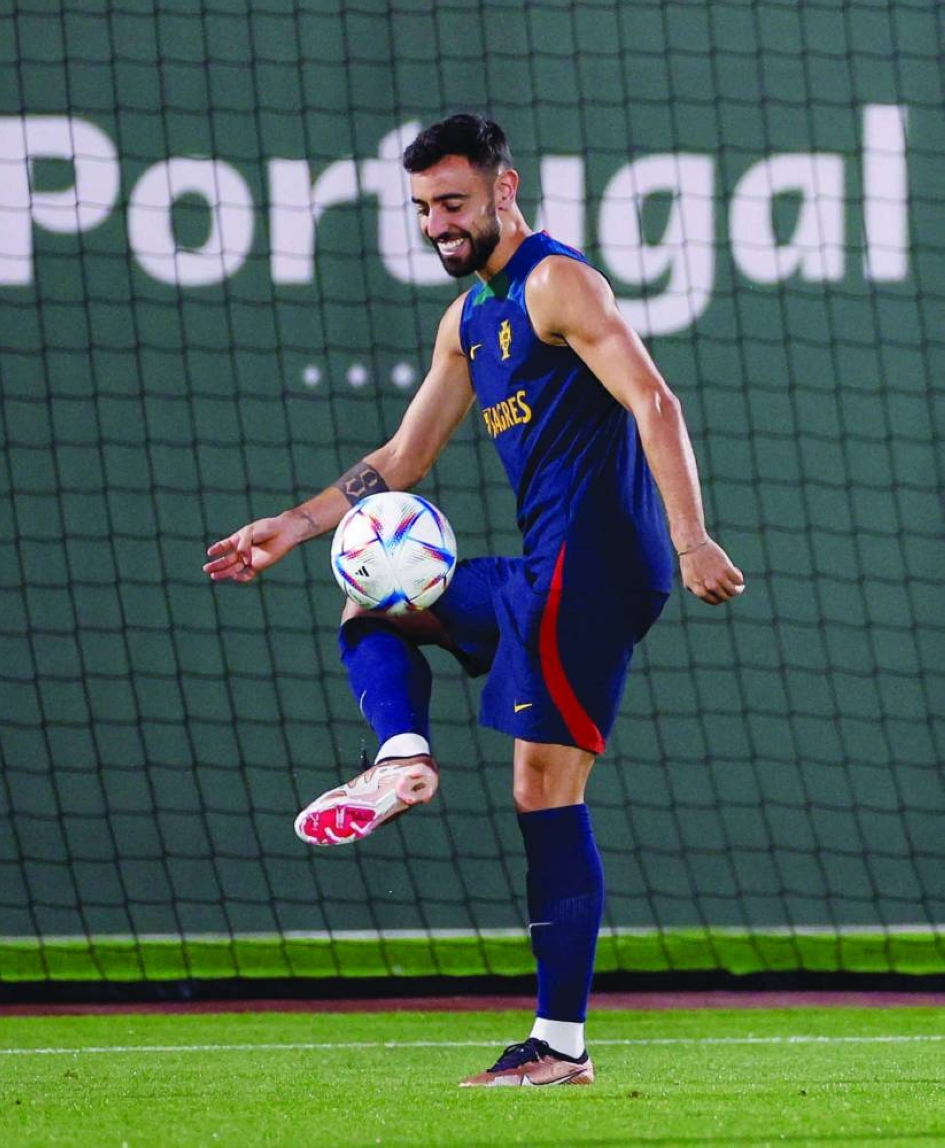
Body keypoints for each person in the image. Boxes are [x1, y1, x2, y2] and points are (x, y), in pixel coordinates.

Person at [203, 114, 745, 1087]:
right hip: (542, 572)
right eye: (420, 210)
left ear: (503, 188)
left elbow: (653, 401)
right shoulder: (467, 319)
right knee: (367, 598)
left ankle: (559, 1045)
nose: (437, 225)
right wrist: (293, 524)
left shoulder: (555, 281)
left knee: (544, 788)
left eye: (451, 203)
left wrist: (690, 534)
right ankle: (400, 755)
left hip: (600, 569)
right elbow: (404, 459)